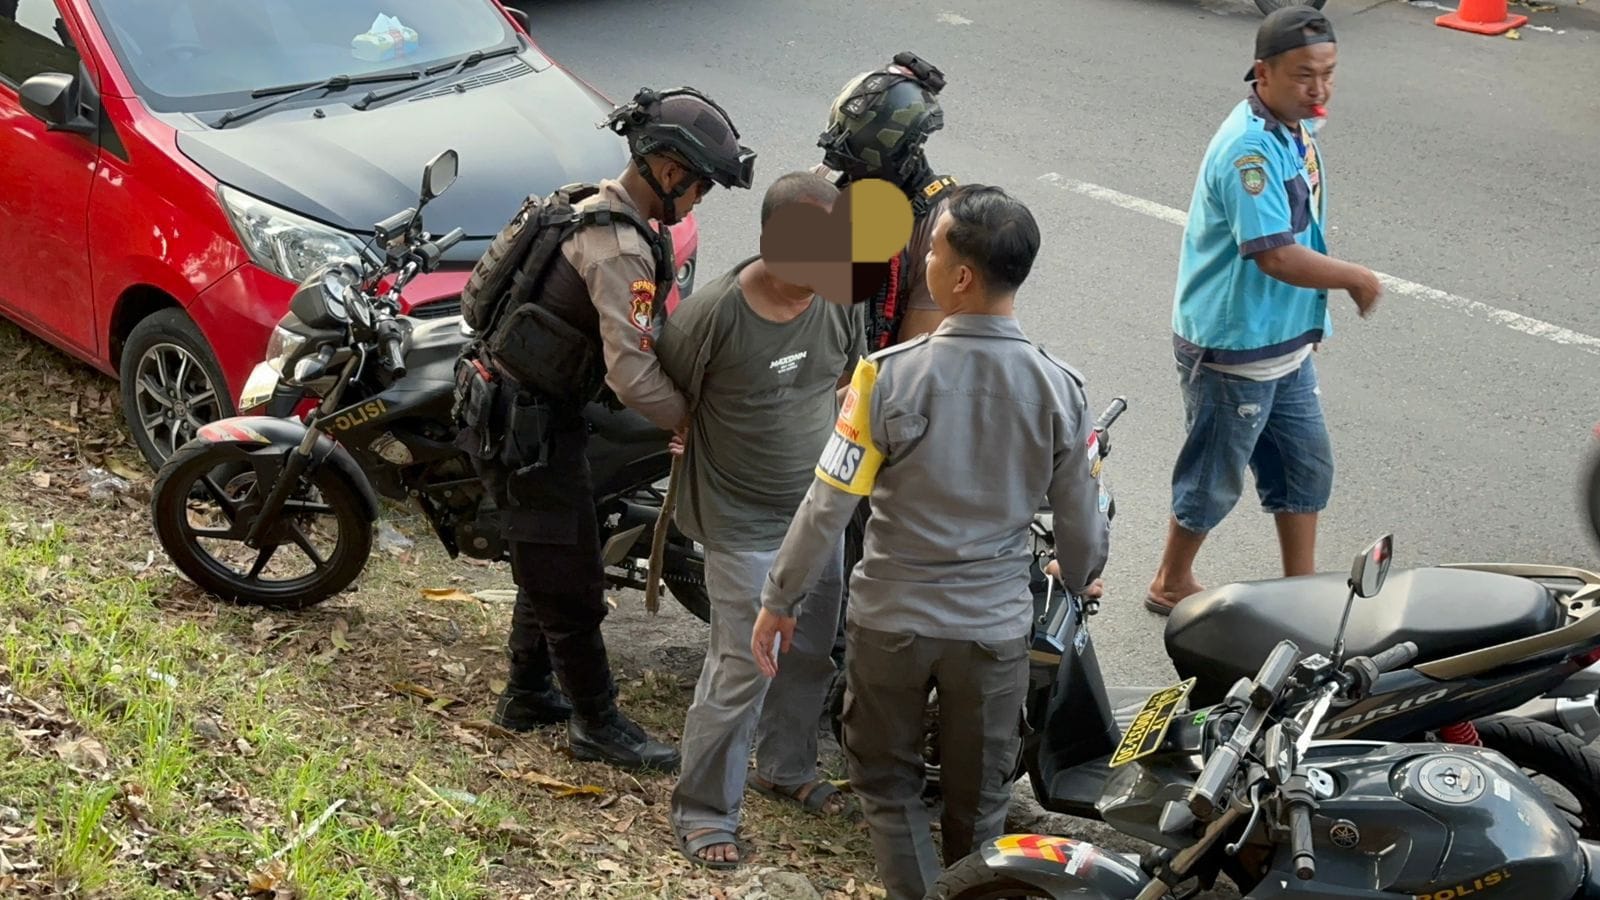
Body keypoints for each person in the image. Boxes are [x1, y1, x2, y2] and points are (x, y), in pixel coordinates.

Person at [750, 184, 1110, 900]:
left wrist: (779, 598)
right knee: (977, 812)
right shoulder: (1060, 390)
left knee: (888, 791)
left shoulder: (885, 377)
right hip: (991, 634)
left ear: (963, 276)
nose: (925, 257)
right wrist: (1078, 567)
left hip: (889, 625)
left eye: (935, 246)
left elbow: (828, 505)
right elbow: (1082, 535)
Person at [458, 85, 756, 772]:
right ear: (670, 172)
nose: (700, 199)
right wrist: (695, 424)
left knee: (551, 555)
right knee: (571, 580)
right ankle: (598, 724)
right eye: (702, 186)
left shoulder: (582, 200)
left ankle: (528, 691)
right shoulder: (618, 249)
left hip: (518, 402)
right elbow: (631, 374)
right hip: (528, 425)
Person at [653, 171, 866, 868]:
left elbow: (845, 383)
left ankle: (785, 763)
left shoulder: (840, 299)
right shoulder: (710, 315)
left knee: (811, 649)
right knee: (744, 664)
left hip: (816, 514)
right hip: (739, 521)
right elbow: (664, 392)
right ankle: (705, 809)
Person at [1146, 7, 1382, 616]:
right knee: (1212, 478)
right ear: (1262, 72)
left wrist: (1307, 324)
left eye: (1327, 74)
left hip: (1283, 343)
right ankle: (1171, 580)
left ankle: (1301, 592)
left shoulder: (1291, 126)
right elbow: (1275, 255)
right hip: (1234, 351)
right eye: (1305, 75)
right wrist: (1352, 278)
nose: (1319, 88)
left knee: (1306, 467)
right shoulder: (1248, 151)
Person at [814, 50, 960, 665]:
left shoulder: (936, 218)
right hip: (822, 377)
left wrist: (853, 400)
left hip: (883, 387)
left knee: (869, 522)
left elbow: (921, 344)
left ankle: (855, 645)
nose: (837, 170)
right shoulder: (833, 191)